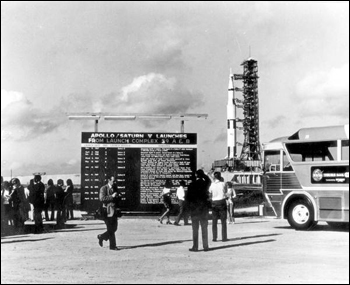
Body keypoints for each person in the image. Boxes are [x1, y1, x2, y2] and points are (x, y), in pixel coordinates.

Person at [187, 169, 211, 252]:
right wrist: (203, 175)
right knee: (204, 228)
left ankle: (195, 246)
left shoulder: (191, 185)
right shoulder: (205, 184)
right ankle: (205, 246)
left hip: (194, 209)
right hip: (203, 208)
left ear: (196, 175)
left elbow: (188, 198)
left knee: (195, 229)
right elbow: (209, 180)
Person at [97, 175, 120, 250]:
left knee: (114, 228)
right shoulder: (103, 188)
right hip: (107, 211)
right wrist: (112, 196)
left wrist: (118, 196)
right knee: (110, 228)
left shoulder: (115, 188)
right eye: (113, 181)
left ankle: (102, 236)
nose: (114, 182)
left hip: (114, 210)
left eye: (115, 181)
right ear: (109, 180)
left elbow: (118, 196)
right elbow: (102, 198)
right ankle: (112, 246)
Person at [209, 172, 228, 242]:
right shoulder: (223, 184)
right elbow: (225, 192)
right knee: (223, 221)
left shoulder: (212, 185)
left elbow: (210, 193)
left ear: (214, 177)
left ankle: (214, 237)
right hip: (222, 202)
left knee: (214, 221)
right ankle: (224, 237)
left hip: (214, 203)